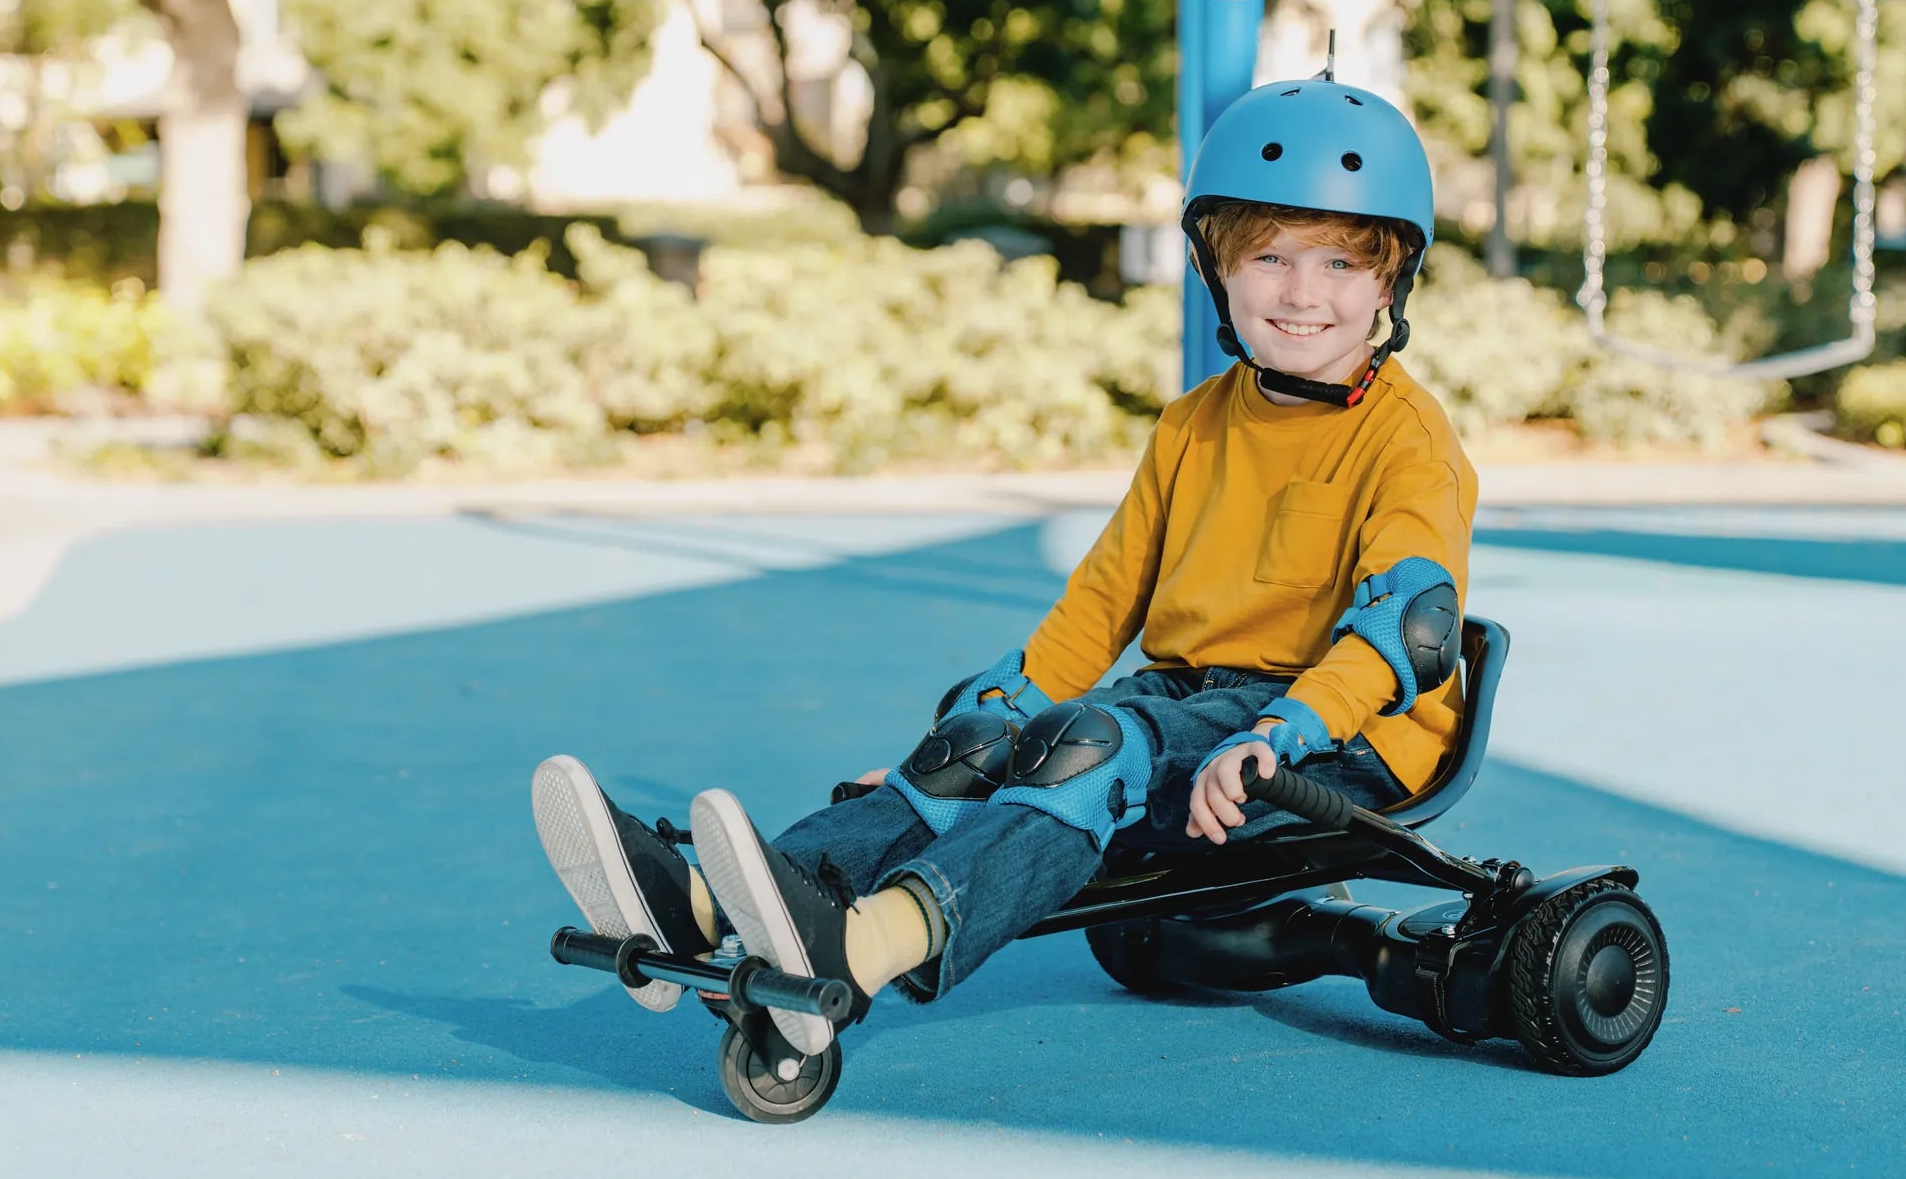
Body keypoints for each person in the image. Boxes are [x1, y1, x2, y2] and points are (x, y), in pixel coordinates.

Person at [531, 76, 1478, 1058]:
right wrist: (928, 769)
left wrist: (1284, 731)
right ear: (1217, 269)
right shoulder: (1193, 425)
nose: (1300, 291)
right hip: (1193, 702)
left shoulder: (1406, 442)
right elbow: (1099, 602)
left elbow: (1403, 626)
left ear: (1387, 280)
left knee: (1090, 746)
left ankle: (857, 952)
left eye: (1336, 260)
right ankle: (699, 902)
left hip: (1338, 733)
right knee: (980, 742)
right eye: (1268, 255)